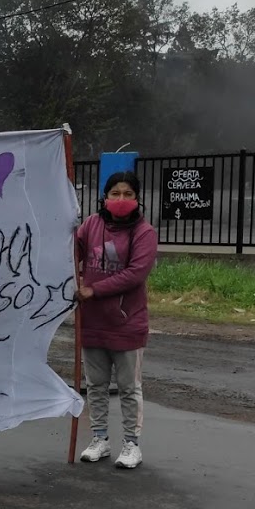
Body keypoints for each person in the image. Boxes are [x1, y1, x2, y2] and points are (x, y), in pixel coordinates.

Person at [75, 172, 159, 470]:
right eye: (115, 193)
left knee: (128, 387)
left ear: (137, 198)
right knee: (95, 385)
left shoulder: (144, 232)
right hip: (92, 321)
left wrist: (93, 289)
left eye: (127, 194)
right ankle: (99, 438)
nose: (121, 199)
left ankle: (131, 444)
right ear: (105, 196)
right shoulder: (90, 225)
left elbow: (136, 273)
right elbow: (74, 252)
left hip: (126, 323)